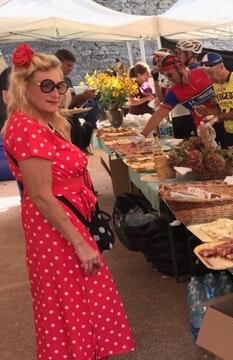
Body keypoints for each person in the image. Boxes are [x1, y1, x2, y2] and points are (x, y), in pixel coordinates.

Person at [1, 43, 136, 359]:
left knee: (83, 298)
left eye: (59, 84)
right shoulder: (26, 127)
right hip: (56, 228)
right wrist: (79, 242)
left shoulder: (46, 120)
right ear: (24, 87)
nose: (55, 92)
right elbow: (40, 195)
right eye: (45, 85)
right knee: (70, 301)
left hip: (70, 218)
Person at [140, 55, 215, 138]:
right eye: (166, 76)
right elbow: (159, 114)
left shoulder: (203, 72)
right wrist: (142, 135)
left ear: (180, 68)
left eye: (170, 75)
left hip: (224, 121)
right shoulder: (174, 91)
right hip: (204, 129)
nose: (169, 79)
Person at [54, 49, 98, 152]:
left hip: (72, 120)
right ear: (58, 63)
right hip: (61, 122)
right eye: (68, 66)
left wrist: (86, 98)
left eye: (72, 66)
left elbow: (73, 103)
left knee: (87, 127)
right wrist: (83, 96)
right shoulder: (54, 81)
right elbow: (61, 102)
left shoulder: (67, 80)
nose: (71, 69)